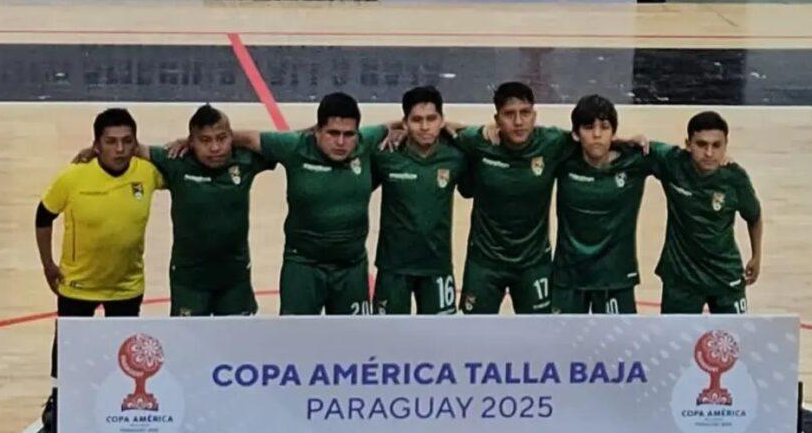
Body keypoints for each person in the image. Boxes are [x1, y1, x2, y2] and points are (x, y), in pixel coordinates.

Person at [36, 108, 163, 433]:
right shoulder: (73, 178)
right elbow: (43, 215)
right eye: (110, 142)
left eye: (126, 142)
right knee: (67, 349)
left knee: (123, 355)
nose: (119, 149)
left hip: (126, 286)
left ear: (136, 143)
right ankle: (58, 400)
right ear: (96, 145)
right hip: (79, 284)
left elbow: (184, 163)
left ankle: (112, 406)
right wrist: (48, 265)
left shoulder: (148, 173)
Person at [232, 93, 392, 315]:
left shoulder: (366, 142)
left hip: (351, 269)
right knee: (296, 343)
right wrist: (194, 140)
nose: (341, 142)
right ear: (317, 131)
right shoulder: (295, 146)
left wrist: (445, 124)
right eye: (333, 133)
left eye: (348, 134)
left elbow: (398, 124)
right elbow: (247, 139)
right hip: (303, 266)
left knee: (354, 343)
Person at [453, 82, 574, 314]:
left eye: (525, 113)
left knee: (538, 335)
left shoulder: (551, 143)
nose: (518, 122)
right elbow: (442, 129)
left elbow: (590, 139)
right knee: (474, 335)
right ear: (497, 119)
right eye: (509, 114)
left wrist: (627, 140)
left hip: (533, 264)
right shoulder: (479, 142)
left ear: (534, 115)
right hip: (485, 263)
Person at [146, 104, 274, 316]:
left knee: (237, 343)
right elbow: (130, 148)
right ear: (191, 142)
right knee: (189, 347)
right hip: (189, 281)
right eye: (205, 140)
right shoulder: (175, 161)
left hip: (235, 279)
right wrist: (93, 150)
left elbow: (298, 141)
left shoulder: (245, 160)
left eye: (222, 138)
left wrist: (238, 138)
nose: (215, 148)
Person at [552, 95, 664, 315]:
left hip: (616, 277)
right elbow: (520, 136)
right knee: (562, 348)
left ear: (613, 132)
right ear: (575, 134)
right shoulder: (562, 156)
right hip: (569, 276)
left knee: (619, 349)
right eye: (588, 127)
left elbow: (690, 158)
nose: (596, 134)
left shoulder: (637, 159)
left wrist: (723, 161)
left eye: (604, 127)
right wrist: (488, 129)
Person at [371, 86, 469, 315]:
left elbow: (487, 136)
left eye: (431, 119)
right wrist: (389, 127)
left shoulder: (456, 157)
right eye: (416, 120)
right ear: (404, 123)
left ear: (442, 120)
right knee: (389, 341)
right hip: (393, 269)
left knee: (440, 341)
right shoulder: (387, 156)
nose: (425, 127)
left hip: (437, 267)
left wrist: (459, 127)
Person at [655, 111, 763, 314]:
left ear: (726, 145)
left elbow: (754, 216)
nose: (709, 153)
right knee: (675, 343)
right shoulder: (672, 163)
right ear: (688, 144)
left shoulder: (735, 178)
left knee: (734, 340)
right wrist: (624, 138)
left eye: (716, 145)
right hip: (681, 277)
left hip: (725, 274)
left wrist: (757, 256)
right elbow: (640, 148)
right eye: (702, 145)